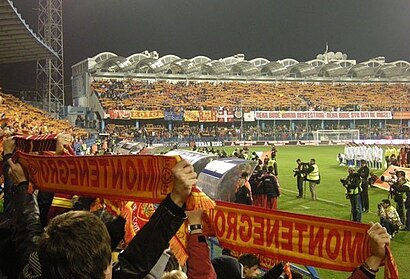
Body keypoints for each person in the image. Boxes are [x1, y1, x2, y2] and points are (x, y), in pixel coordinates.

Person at [4, 133, 197, 279]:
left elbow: (28, 231)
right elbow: (137, 259)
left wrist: (21, 184)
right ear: (106, 272)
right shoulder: (37, 260)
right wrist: (176, 201)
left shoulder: (37, 268)